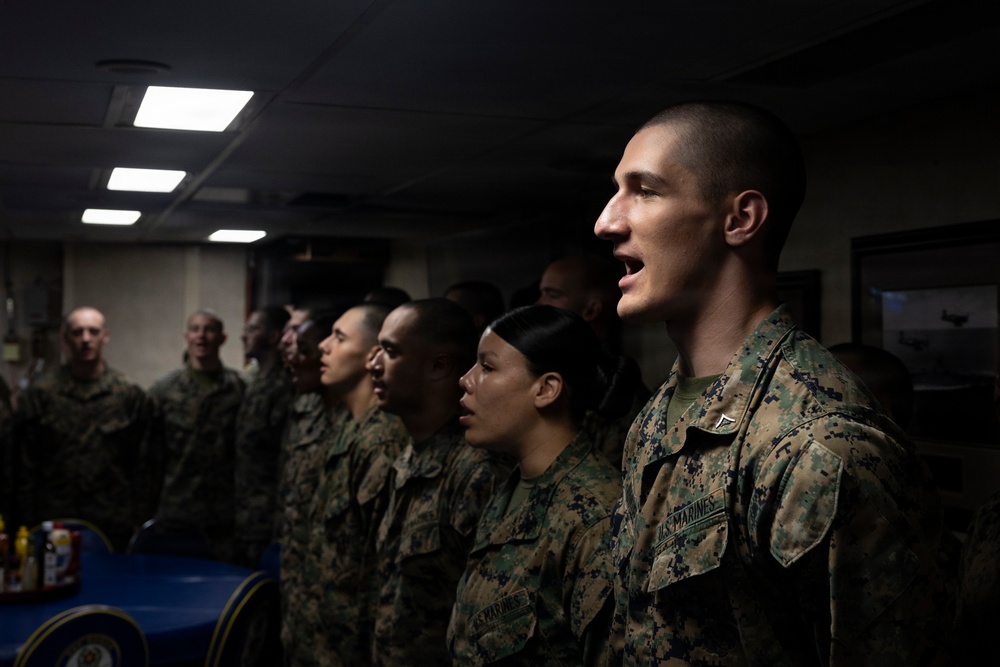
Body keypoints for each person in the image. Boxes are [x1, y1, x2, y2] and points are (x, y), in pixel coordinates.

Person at [594, 101, 955, 664]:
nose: (607, 221)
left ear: (740, 219)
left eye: (644, 190)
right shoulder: (660, 414)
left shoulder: (823, 448)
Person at [448, 305, 629, 665]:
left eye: (487, 367)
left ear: (546, 389)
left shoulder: (594, 517)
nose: (466, 380)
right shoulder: (514, 486)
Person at [366, 298, 508, 666]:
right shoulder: (409, 456)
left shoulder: (477, 471)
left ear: (439, 366)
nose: (374, 363)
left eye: (390, 352)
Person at [290, 303, 406, 666]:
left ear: (373, 355)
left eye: (338, 338)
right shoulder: (349, 427)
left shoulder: (383, 440)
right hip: (321, 635)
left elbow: (378, 571)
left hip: (349, 647)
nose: (323, 346)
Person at [12, 307, 157, 550]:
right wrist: (23, 524)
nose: (86, 339)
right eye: (78, 332)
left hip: (113, 523)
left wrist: (141, 520)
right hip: (53, 520)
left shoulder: (128, 395)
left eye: (93, 332)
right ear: (65, 338)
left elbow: (145, 465)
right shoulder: (40, 395)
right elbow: (22, 466)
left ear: (105, 336)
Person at [150, 308, 245, 562]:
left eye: (209, 330)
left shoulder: (240, 389)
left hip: (225, 515)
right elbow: (150, 455)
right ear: (186, 337)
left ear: (222, 338)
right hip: (177, 511)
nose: (201, 336)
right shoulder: (164, 390)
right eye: (195, 330)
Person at [537, 255, 650, 465]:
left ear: (591, 310)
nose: (540, 304)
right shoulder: (554, 372)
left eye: (552, 294)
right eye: (542, 293)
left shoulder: (616, 393)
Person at [277, 312, 341, 665]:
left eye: (304, 347)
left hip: (330, 598)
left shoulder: (360, 424)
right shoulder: (305, 405)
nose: (292, 355)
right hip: (297, 578)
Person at [233, 306, 292, 568]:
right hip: (246, 513)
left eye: (253, 329)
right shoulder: (255, 381)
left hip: (268, 518)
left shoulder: (284, 386)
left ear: (273, 337)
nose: (244, 335)